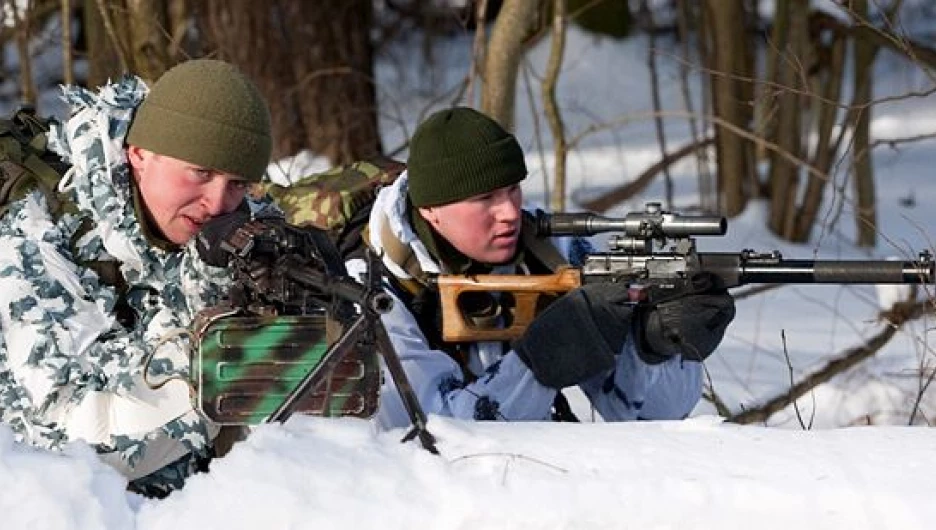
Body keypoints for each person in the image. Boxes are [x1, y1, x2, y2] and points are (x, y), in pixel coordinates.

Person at [348, 107, 735, 429]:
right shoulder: (370, 289)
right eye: (485, 198)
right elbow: (431, 433)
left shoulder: (550, 251)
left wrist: (654, 349)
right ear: (430, 210)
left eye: (513, 188)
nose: (510, 212)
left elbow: (654, 417)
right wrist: (541, 360)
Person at [0, 59, 272, 496]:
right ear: (140, 155)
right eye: (200, 173)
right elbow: (68, 447)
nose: (217, 204)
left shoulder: (247, 230)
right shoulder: (36, 233)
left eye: (238, 183)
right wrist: (235, 370)